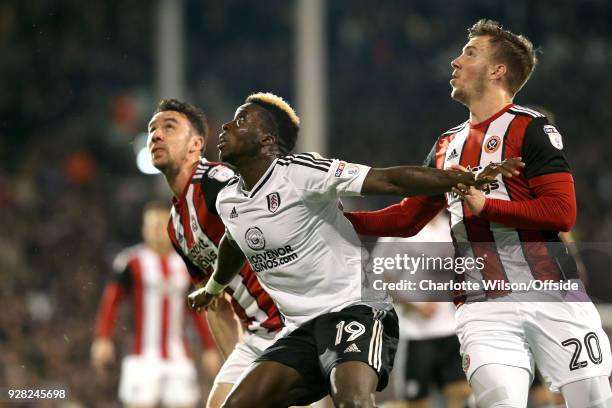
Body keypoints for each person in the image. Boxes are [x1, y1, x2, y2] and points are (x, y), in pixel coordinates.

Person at [188, 92, 522, 408]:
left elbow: (388, 181)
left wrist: (461, 179)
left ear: (266, 139)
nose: (228, 126)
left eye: (242, 120)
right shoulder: (228, 198)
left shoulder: (300, 173)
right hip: (301, 329)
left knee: (352, 400)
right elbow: (233, 241)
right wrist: (214, 287)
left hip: (355, 308)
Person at [344, 19, 612, 408]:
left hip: (554, 296)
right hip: (484, 305)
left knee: (594, 400)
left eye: (469, 53)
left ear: (497, 70)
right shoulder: (445, 145)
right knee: (499, 401)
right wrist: (338, 220)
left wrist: (487, 206)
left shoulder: (531, 129)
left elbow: (562, 213)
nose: (455, 61)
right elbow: (407, 218)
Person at [147, 99, 287, 408]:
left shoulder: (215, 182)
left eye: (169, 127)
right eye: (152, 129)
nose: (156, 135)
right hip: (256, 334)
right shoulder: (176, 228)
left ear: (196, 144)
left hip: (290, 325)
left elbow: (271, 222)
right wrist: (235, 365)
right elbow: (215, 304)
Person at [91, 201, 220, 408]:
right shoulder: (130, 262)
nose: (156, 232)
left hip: (178, 357)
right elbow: (111, 302)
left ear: (171, 226)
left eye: (161, 226)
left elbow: (197, 308)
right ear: (144, 229)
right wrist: (103, 338)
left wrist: (209, 347)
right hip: (142, 357)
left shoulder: (187, 263)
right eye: (151, 226)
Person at [376, 213, 471, 408]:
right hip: (416, 333)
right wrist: (415, 305)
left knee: (461, 394)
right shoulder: (400, 229)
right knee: (417, 402)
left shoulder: (451, 225)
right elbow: (380, 278)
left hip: (451, 329)